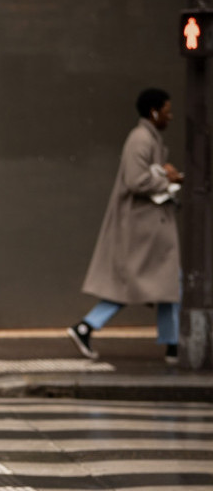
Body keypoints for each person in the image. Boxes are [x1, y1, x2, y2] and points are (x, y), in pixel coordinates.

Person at [67, 88, 183, 364]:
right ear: (154, 112)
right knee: (152, 282)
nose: (170, 116)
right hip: (143, 227)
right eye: (167, 111)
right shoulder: (141, 139)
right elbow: (136, 180)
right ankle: (86, 327)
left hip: (146, 226)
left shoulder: (145, 138)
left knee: (161, 283)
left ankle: (172, 344)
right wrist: (168, 180)